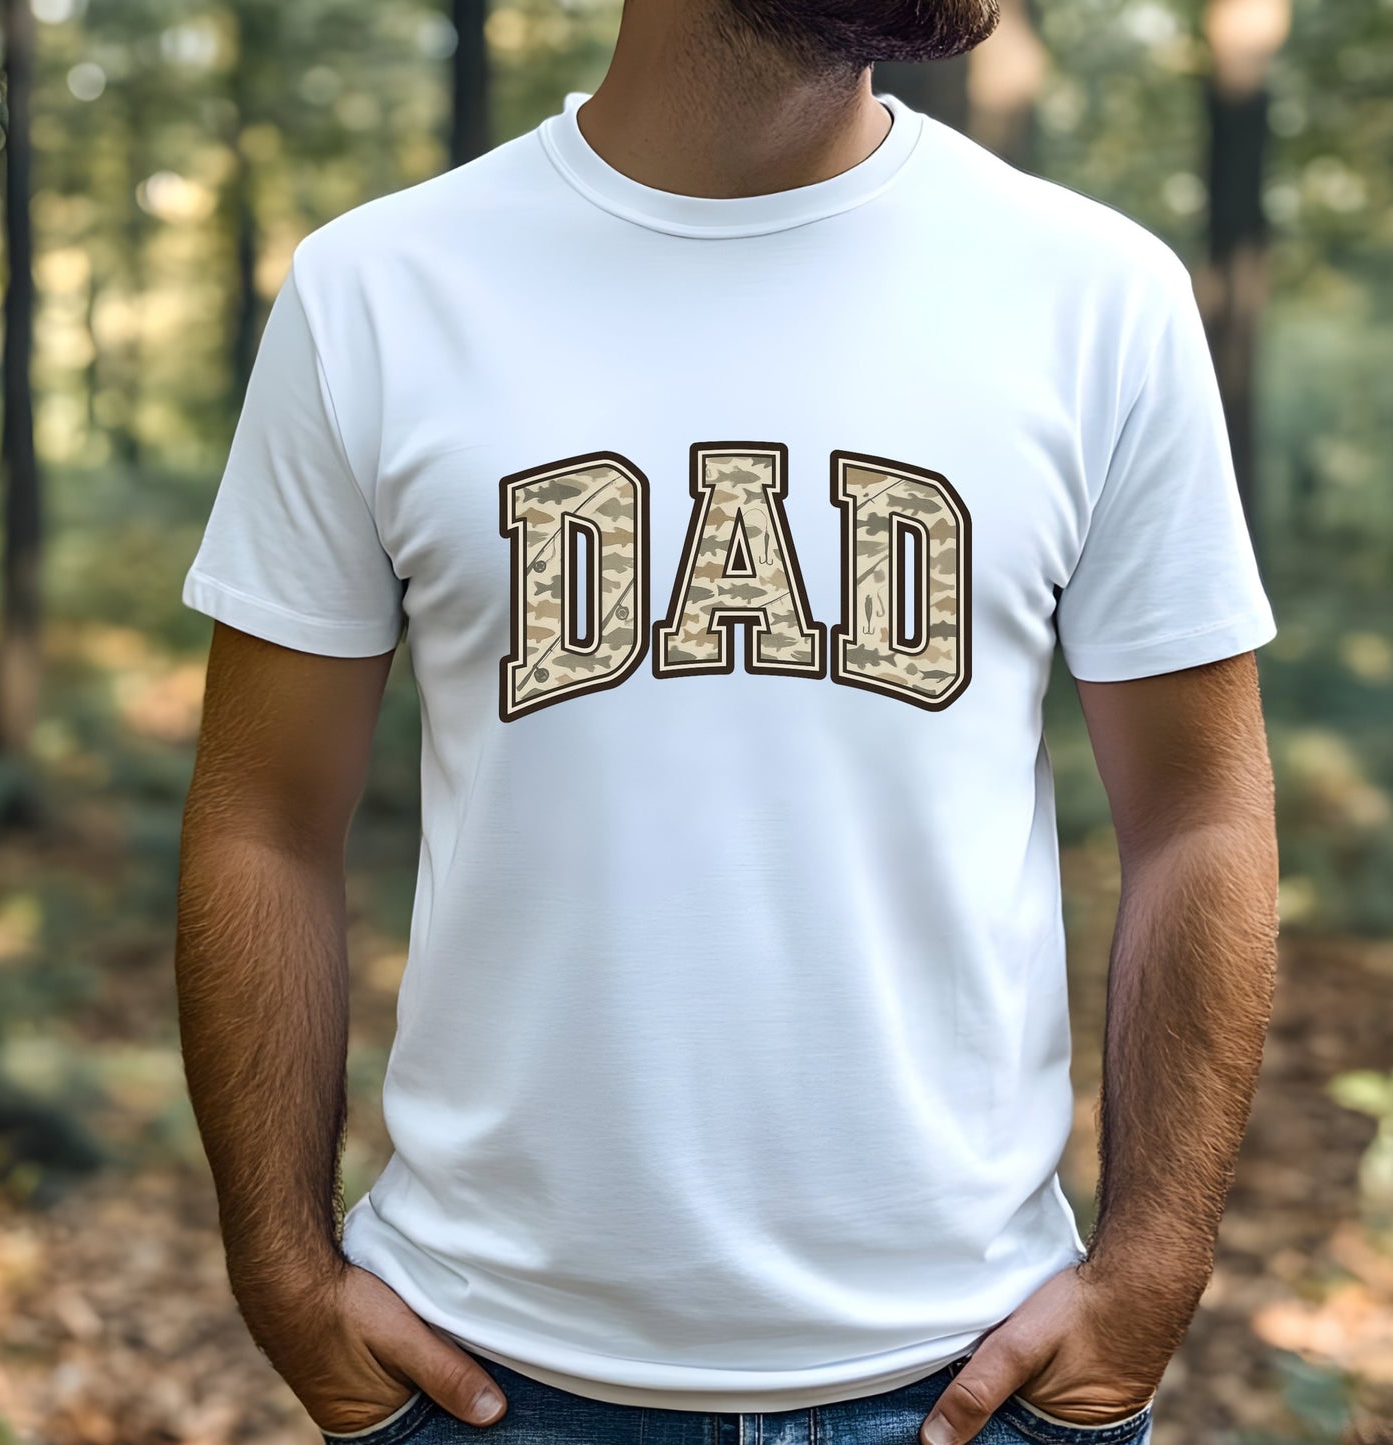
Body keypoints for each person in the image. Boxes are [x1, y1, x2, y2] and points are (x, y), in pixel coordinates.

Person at [173, 0, 1281, 1441]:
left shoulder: (1093, 293)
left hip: (965, 1382)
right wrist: (281, 1265)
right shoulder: (380, 288)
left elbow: (1201, 812)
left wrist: (1149, 1269)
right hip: (485, 1380)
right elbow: (262, 817)